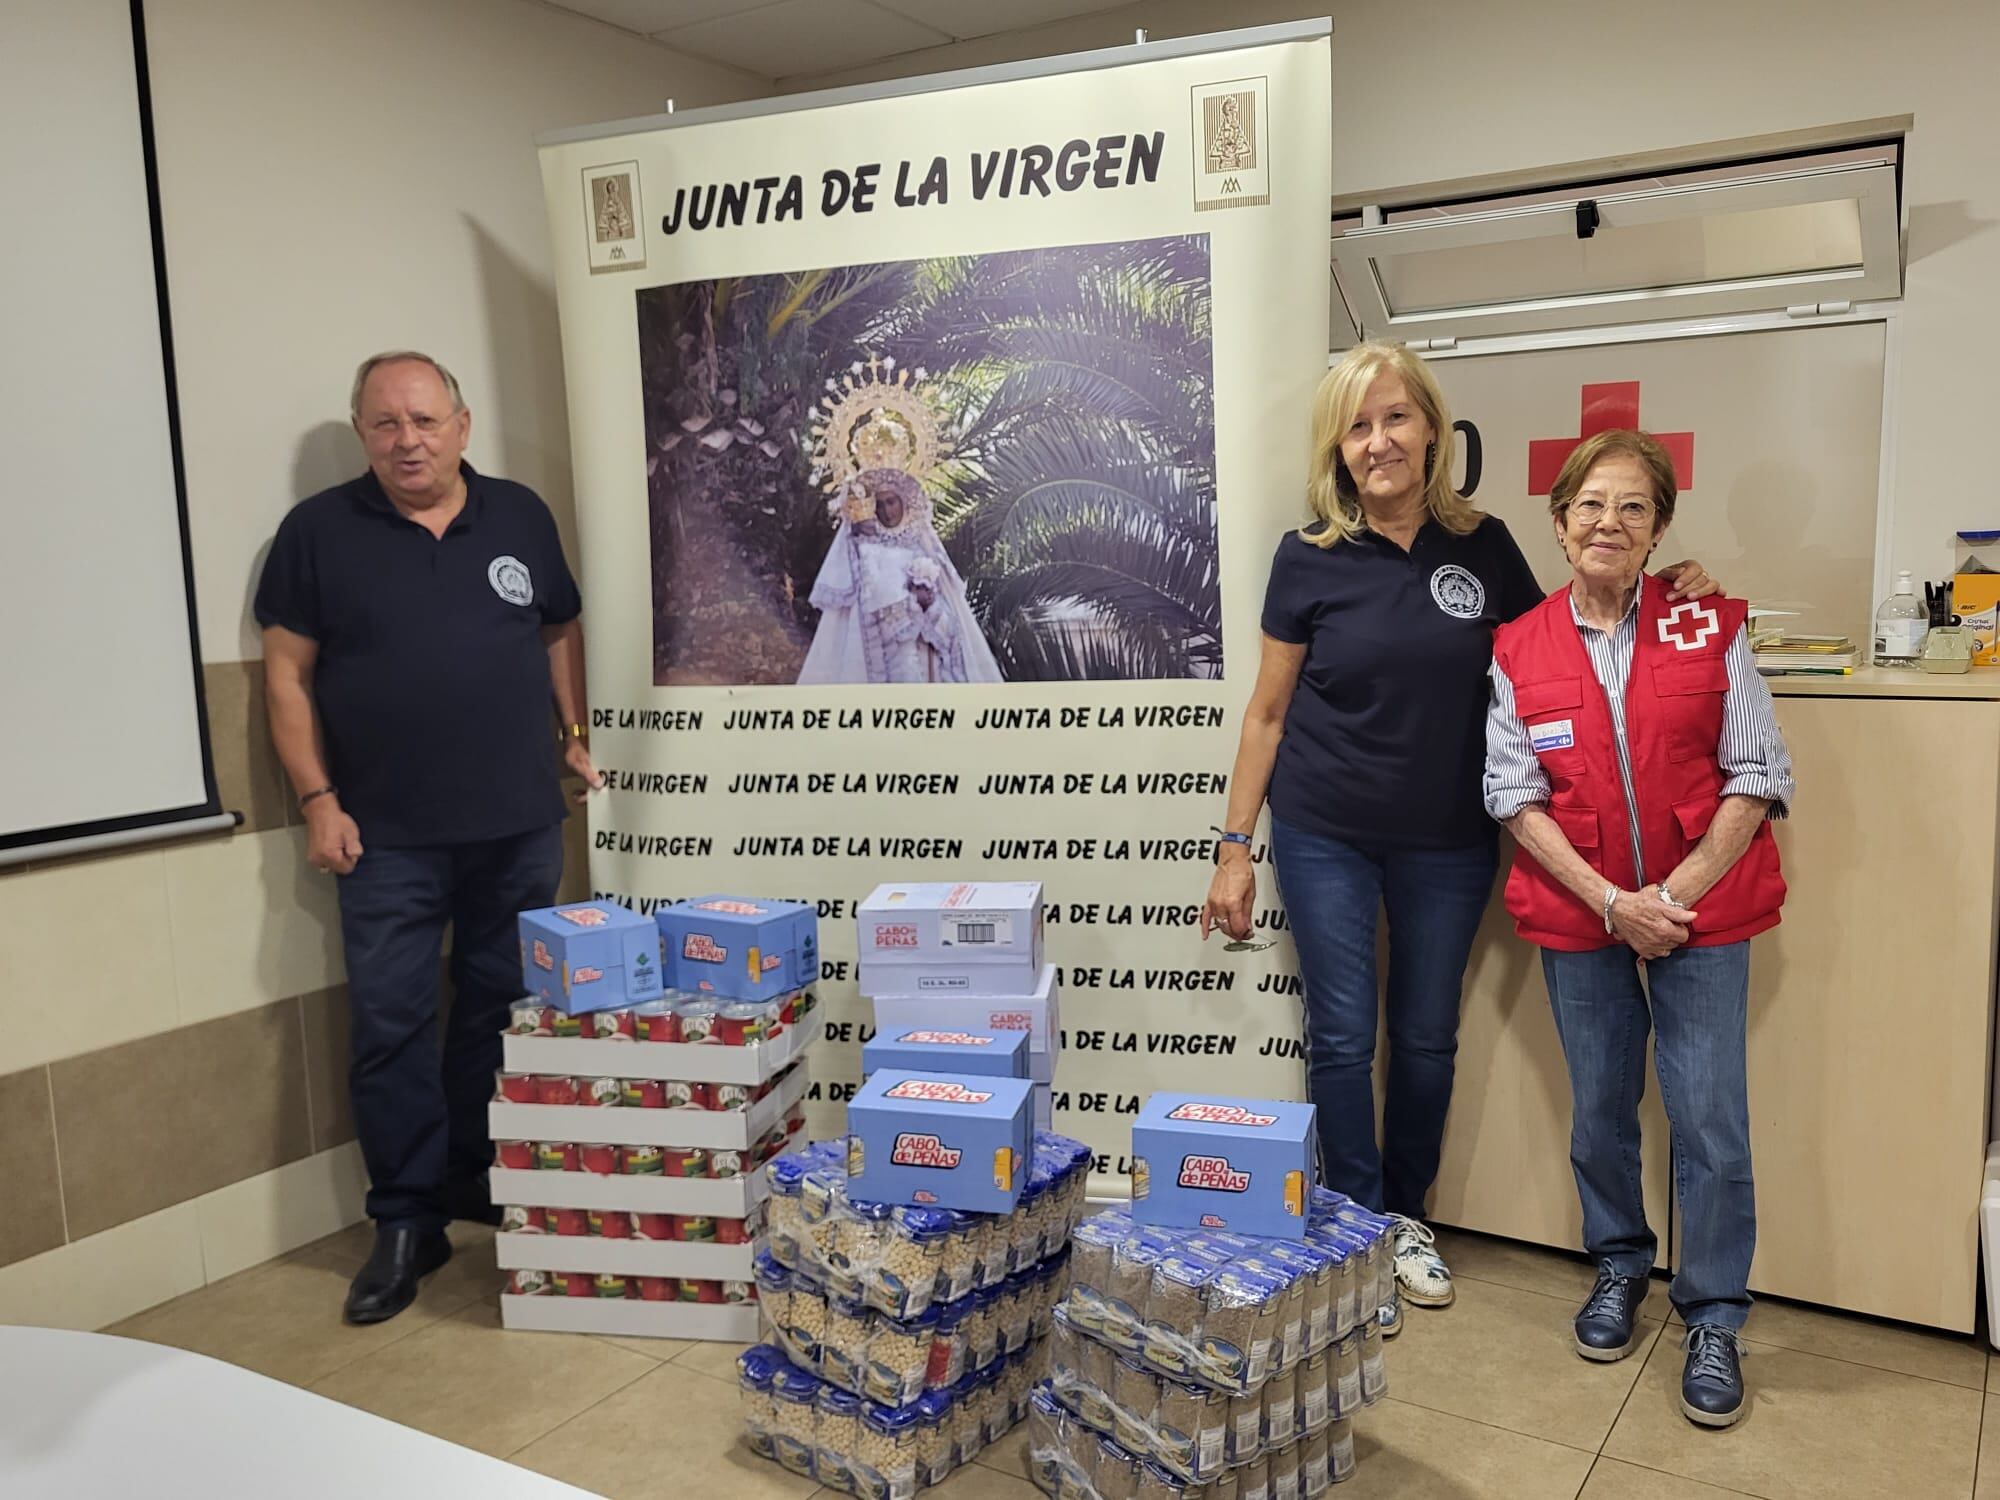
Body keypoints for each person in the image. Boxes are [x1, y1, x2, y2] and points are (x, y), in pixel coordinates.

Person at [1199, 342, 1719, 1334]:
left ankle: (1405, 1217)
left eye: (1395, 417)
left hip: (1447, 837)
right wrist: (1233, 847)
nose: (1378, 441)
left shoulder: (1482, 544)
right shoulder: (1306, 554)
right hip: (1323, 831)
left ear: (1432, 428)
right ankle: (1352, 1230)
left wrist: (1664, 588)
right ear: (1336, 447)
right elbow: (1265, 713)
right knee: (1341, 1036)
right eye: (1356, 426)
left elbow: (1563, 641)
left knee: (1427, 1035)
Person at [255, 351, 602, 1325]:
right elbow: (285, 675)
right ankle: (406, 1219)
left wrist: (573, 736)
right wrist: (317, 799)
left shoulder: (519, 515)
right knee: (391, 1024)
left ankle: (472, 1178)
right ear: (362, 434)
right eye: (385, 424)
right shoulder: (318, 533)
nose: (406, 441)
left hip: (518, 824)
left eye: (423, 420)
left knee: (498, 1008)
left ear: (461, 424)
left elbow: (558, 629)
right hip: (385, 838)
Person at [1484, 428, 1790, 1428]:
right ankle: (1618, 1264)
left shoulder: (1709, 623)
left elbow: (1756, 773)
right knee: (1600, 1110)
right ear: (1558, 521)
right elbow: (1512, 793)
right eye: (1589, 504)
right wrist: (1612, 902)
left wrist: (1669, 898)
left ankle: (1713, 1313)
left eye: (1632, 507)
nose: (1607, 522)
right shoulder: (1519, 645)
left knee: (1709, 1120)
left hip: (1702, 913)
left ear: (1659, 528)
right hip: (1584, 914)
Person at [798, 467, 1002, 684]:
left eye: (891, 502)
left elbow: (949, 624)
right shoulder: (863, 551)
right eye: (879, 504)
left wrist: (929, 605)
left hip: (922, 656)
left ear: (903, 501)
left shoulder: (921, 548)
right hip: (876, 652)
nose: (886, 512)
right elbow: (871, 600)